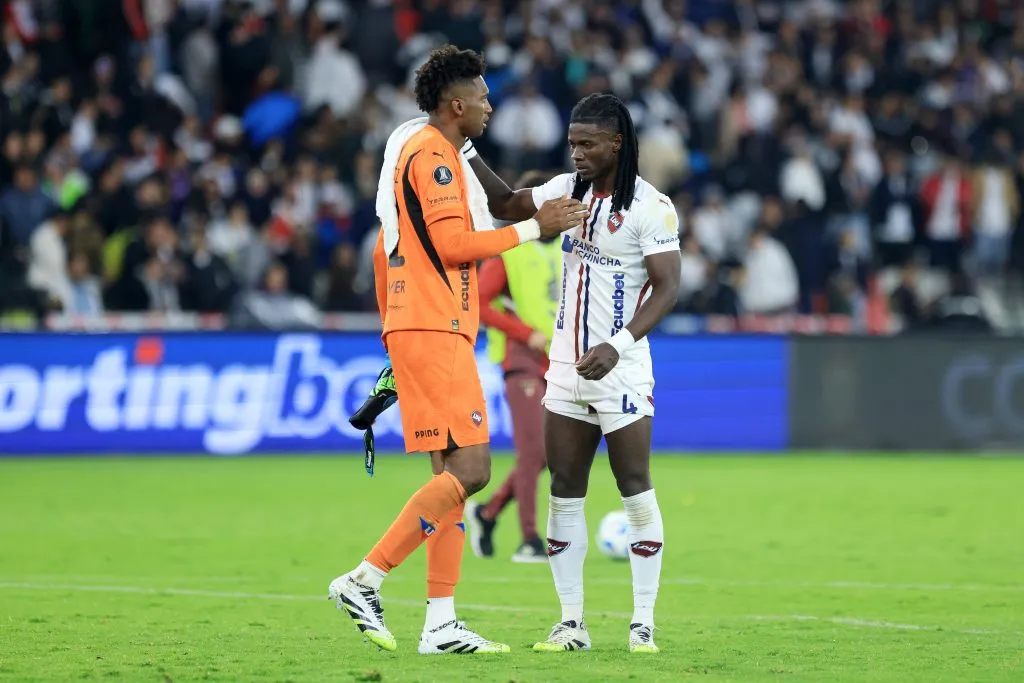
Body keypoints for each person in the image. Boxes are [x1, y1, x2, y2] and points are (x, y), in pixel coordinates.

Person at [327, 45, 589, 655]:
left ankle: (440, 623)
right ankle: (365, 579)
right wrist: (534, 230)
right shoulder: (433, 155)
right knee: (473, 470)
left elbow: (428, 232)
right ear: (457, 104)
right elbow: (451, 246)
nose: (490, 106)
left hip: (425, 323)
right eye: (483, 96)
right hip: (432, 325)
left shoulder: (431, 149)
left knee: (449, 477)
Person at [467, 92, 682, 653]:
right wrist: (464, 148)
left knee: (635, 489)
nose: (577, 153)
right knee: (565, 491)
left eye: (587, 144)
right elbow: (508, 204)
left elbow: (669, 286)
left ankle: (642, 624)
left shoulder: (651, 208)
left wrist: (620, 342)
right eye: (572, 143)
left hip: (623, 370)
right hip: (563, 368)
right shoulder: (565, 191)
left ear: (617, 143)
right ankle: (571, 623)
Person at [466, 170, 561, 564]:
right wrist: (524, 332)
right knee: (532, 450)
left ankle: (488, 514)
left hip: (560, 361)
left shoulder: (568, 248)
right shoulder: (511, 250)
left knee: (551, 454)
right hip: (521, 361)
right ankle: (529, 540)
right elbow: (481, 304)